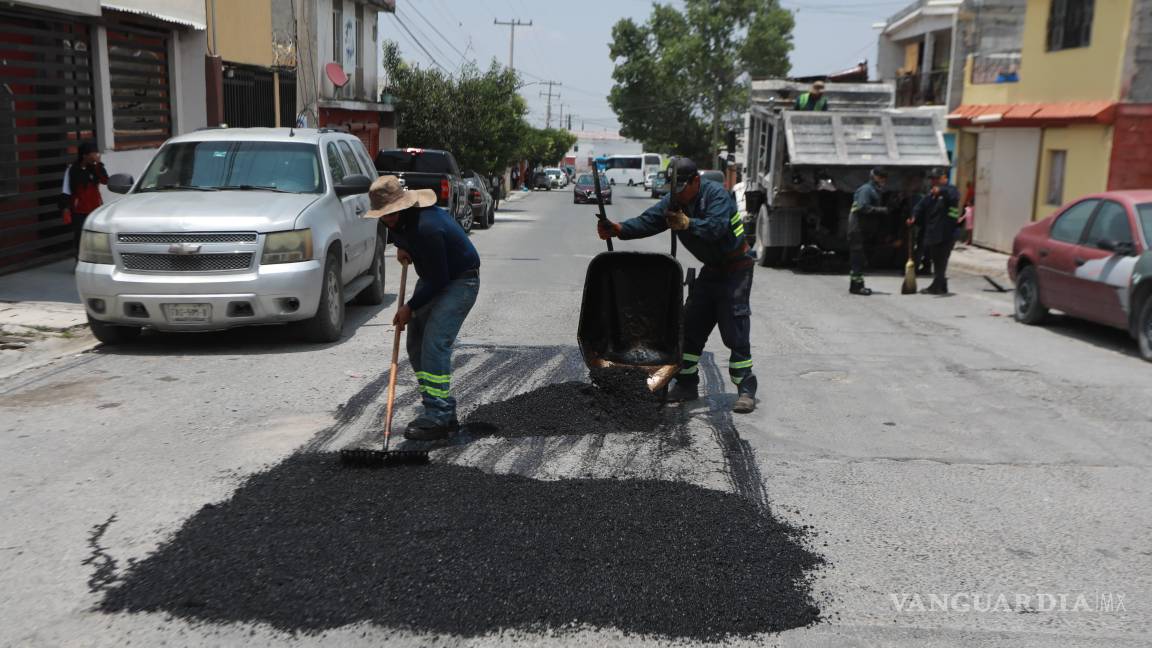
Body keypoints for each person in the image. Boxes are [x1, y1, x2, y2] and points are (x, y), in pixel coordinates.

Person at [595, 157, 758, 414]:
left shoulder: (716, 195)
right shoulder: (675, 201)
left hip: (736, 269)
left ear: (696, 181)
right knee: (690, 328)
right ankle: (686, 385)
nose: (678, 194)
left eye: (682, 188)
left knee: (734, 329)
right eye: (674, 189)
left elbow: (716, 228)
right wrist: (618, 229)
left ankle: (746, 389)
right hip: (711, 271)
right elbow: (649, 221)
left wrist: (689, 223)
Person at [364, 175, 481, 440]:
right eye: (385, 216)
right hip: (433, 279)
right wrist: (402, 248)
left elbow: (441, 279)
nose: (389, 219)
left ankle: (438, 417)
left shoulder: (428, 226)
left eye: (392, 213)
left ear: (403, 205)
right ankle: (438, 408)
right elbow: (401, 236)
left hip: (460, 281)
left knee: (435, 343)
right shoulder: (395, 221)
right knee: (415, 344)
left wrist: (409, 307)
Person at [909, 168, 961, 295]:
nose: (934, 182)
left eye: (937, 179)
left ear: (944, 178)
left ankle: (936, 286)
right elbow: (920, 206)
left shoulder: (951, 190)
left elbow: (954, 196)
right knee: (937, 260)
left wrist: (941, 190)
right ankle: (941, 285)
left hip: (947, 233)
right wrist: (914, 216)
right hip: (934, 233)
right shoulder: (931, 194)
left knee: (941, 259)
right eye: (933, 179)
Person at [60, 142, 108, 256]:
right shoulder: (72, 170)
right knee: (80, 237)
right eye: (92, 154)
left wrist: (98, 165)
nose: (95, 156)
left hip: (96, 208)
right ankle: (80, 260)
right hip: (79, 211)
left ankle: (98, 259)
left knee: (98, 235)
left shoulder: (96, 168)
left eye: (96, 153)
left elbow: (105, 180)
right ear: (84, 155)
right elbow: (66, 190)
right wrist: (65, 209)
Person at [848, 167, 890, 296]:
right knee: (858, 258)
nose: (884, 181)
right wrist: (881, 210)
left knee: (860, 258)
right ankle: (856, 287)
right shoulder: (866, 190)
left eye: (885, 178)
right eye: (882, 178)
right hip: (857, 229)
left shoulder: (874, 190)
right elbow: (862, 207)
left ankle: (857, 285)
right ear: (875, 177)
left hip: (862, 229)